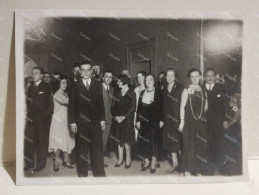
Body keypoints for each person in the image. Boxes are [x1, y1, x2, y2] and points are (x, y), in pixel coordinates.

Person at [69, 62, 106, 177]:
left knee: (97, 148)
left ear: (91, 71)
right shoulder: (74, 85)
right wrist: (72, 122)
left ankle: (99, 173)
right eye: (83, 70)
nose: (85, 72)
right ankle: (82, 174)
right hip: (81, 122)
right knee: (82, 149)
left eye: (88, 70)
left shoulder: (97, 84)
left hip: (95, 122)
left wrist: (102, 120)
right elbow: (72, 105)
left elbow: (101, 103)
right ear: (79, 71)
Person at [179, 68, 209, 176]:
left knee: (200, 145)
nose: (195, 78)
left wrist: (200, 115)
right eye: (192, 76)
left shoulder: (203, 90)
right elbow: (182, 107)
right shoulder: (186, 90)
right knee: (189, 145)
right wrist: (182, 122)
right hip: (189, 122)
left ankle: (198, 169)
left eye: (197, 76)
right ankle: (187, 170)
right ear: (190, 78)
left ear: (200, 77)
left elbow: (206, 106)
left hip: (200, 122)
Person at [24, 67, 54, 172]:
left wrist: (43, 116)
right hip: (31, 119)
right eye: (33, 74)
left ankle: (41, 165)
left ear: (41, 75)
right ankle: (29, 163)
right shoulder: (31, 87)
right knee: (28, 141)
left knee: (42, 143)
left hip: (43, 120)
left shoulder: (48, 87)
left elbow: (51, 106)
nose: (34, 75)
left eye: (36, 73)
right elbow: (28, 103)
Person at [136, 74, 163, 173]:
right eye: (146, 80)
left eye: (151, 79)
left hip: (154, 120)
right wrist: (138, 120)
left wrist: (161, 120)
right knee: (144, 141)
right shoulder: (142, 92)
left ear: (154, 81)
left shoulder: (159, 92)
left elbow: (162, 108)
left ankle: (154, 161)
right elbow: (139, 108)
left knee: (154, 141)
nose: (148, 81)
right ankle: (146, 160)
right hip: (143, 120)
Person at [48, 75, 75, 171]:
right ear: (58, 84)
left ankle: (66, 161)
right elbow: (66, 102)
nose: (65, 84)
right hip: (58, 122)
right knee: (58, 142)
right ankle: (56, 163)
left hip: (66, 121)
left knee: (66, 139)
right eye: (63, 82)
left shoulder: (65, 93)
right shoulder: (57, 94)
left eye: (66, 82)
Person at [204, 68, 227, 174]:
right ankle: (210, 166)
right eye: (207, 75)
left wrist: (226, 119)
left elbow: (225, 105)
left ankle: (221, 165)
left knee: (220, 143)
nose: (209, 77)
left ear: (215, 77)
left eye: (211, 75)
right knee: (208, 144)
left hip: (218, 121)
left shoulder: (221, 88)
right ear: (204, 77)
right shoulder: (200, 88)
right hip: (205, 122)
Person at [161, 68, 184, 174]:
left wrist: (182, 121)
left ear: (176, 77)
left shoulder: (181, 88)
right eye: (168, 75)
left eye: (172, 75)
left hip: (178, 119)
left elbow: (184, 106)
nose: (169, 78)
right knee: (171, 143)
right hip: (168, 119)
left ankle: (183, 166)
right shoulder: (164, 88)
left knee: (180, 142)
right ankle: (174, 164)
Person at [111, 74, 136, 168]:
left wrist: (123, 117)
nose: (117, 83)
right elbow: (112, 107)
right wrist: (116, 116)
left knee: (127, 141)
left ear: (124, 81)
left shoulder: (132, 93)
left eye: (119, 81)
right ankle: (120, 159)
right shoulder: (116, 92)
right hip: (118, 120)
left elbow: (133, 108)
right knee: (119, 140)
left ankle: (128, 159)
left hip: (127, 120)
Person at [221, 92, 242, 175]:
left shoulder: (238, 108)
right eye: (233, 98)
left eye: (236, 99)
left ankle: (230, 170)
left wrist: (228, 125)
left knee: (232, 149)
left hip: (233, 131)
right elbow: (223, 115)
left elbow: (235, 119)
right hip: (225, 129)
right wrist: (224, 121)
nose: (233, 99)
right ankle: (225, 168)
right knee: (225, 148)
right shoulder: (227, 105)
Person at [101, 70, 114, 162]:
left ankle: (100, 161)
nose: (108, 78)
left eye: (110, 77)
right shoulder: (97, 88)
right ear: (102, 78)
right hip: (99, 119)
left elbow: (112, 105)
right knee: (96, 140)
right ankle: (91, 161)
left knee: (104, 140)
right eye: (106, 76)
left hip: (108, 119)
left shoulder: (112, 89)